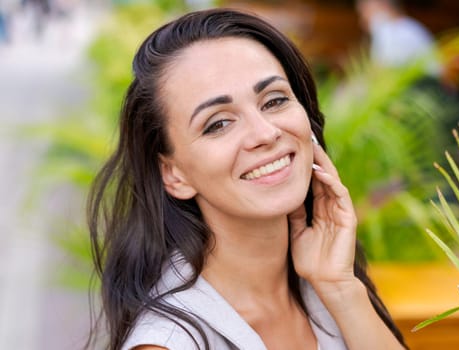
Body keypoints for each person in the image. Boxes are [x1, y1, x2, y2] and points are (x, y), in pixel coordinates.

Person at [87, 8, 407, 350]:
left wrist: (341, 288)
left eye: (274, 100)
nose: (265, 133)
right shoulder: (170, 343)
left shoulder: (327, 285)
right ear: (174, 174)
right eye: (218, 123)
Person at [356, 0, 440, 76]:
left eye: (364, 12)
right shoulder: (408, 28)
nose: (362, 22)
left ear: (383, 6)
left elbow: (380, 73)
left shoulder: (398, 33)